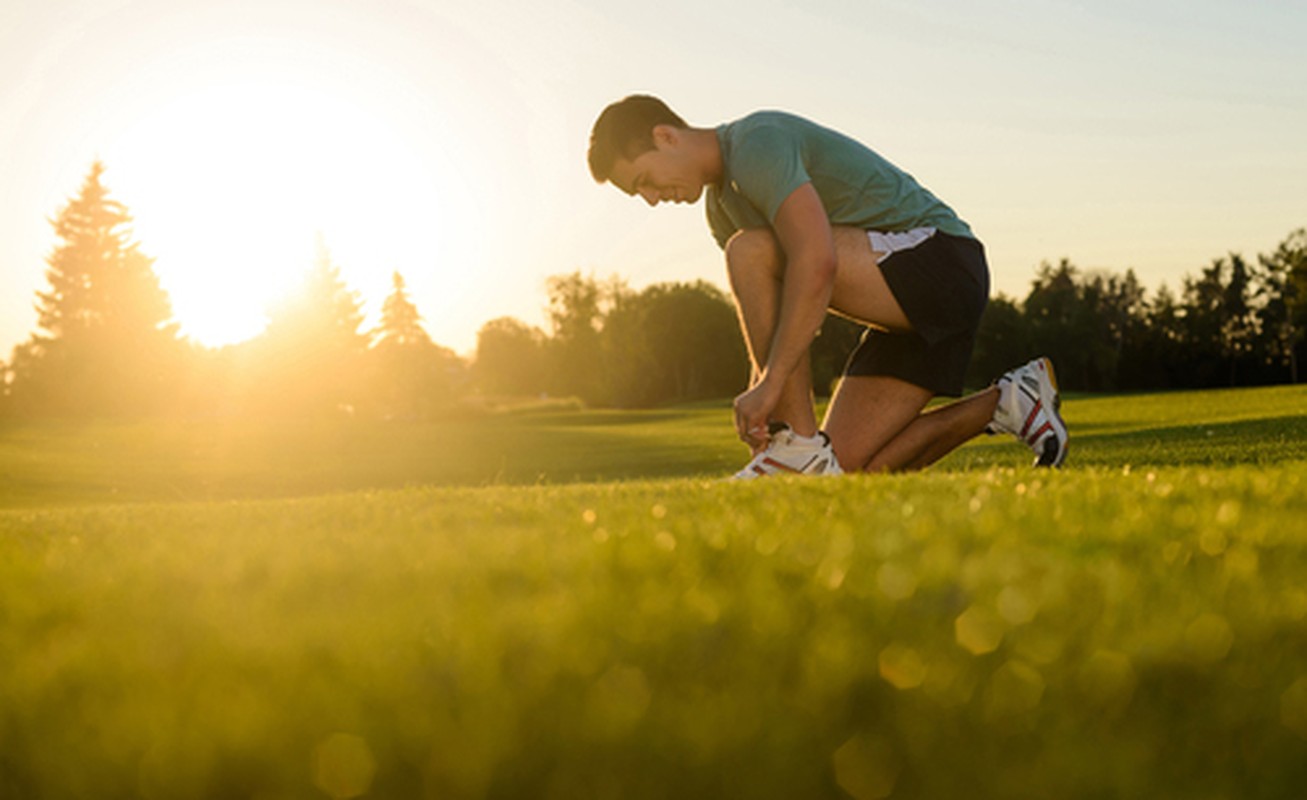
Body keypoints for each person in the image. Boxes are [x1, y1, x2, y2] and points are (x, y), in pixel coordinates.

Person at [587, 95, 1067, 477]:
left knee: (750, 252)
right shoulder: (721, 212)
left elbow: (816, 263)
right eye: (640, 193)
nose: (651, 199)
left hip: (941, 263)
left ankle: (795, 447)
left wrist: (774, 389)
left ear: (666, 135)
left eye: (646, 180)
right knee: (845, 472)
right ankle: (1008, 401)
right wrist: (762, 404)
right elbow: (770, 320)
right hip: (899, 310)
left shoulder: (757, 142)